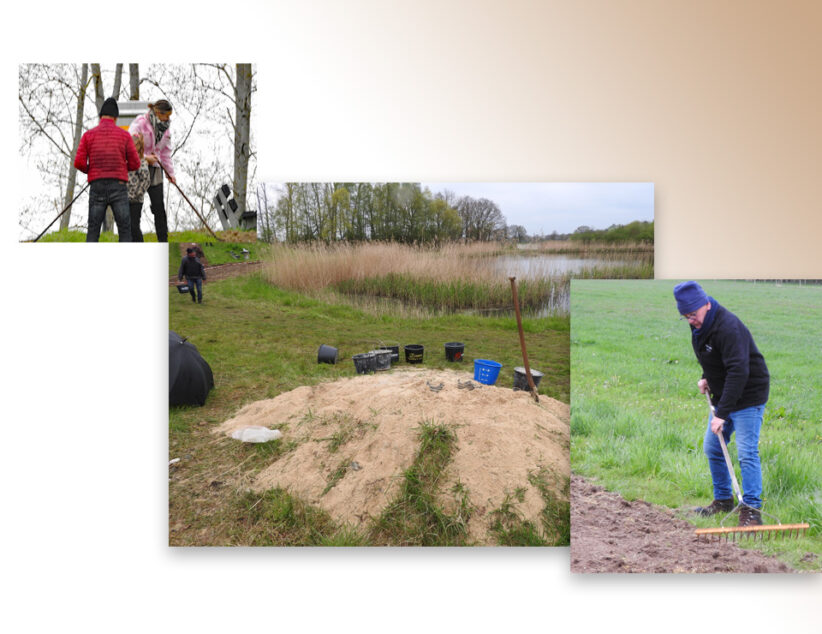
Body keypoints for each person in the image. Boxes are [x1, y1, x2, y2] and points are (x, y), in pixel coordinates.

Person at [674, 281, 770, 527]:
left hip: (748, 394)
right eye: (685, 317)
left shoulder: (727, 327)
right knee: (714, 448)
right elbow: (714, 357)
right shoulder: (700, 325)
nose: (690, 321)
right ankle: (723, 501)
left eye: (692, 315)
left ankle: (751, 511)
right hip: (725, 393)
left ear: (706, 304)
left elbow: (739, 371)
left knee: (747, 453)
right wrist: (708, 378)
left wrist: (722, 414)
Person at [73, 97, 140, 242]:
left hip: (96, 186)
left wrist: (92, 170)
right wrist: (121, 168)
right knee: (124, 230)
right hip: (119, 186)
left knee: (93, 229)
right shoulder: (125, 135)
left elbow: (78, 162)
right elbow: (135, 163)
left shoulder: (88, 135)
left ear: (100, 117)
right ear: (116, 118)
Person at [129, 100, 175, 242]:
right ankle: (137, 242)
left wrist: (170, 173)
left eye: (169, 115)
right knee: (135, 208)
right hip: (139, 169)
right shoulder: (140, 123)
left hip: (155, 170)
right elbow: (130, 146)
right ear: (157, 113)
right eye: (166, 115)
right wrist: (145, 158)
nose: (168, 118)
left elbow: (166, 153)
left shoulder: (166, 130)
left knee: (159, 207)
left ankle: (163, 241)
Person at [127, 133, 151, 242]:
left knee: (134, 225)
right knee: (125, 226)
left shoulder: (142, 162)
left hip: (136, 200)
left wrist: (136, 194)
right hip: (124, 199)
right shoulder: (125, 162)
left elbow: (146, 181)